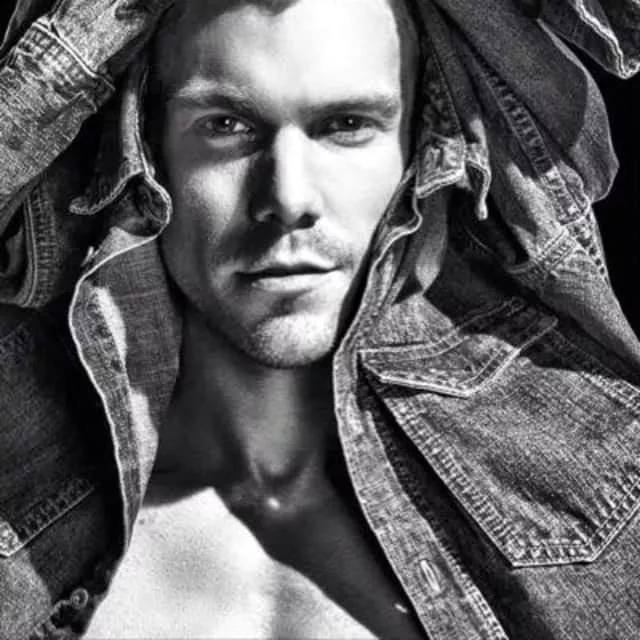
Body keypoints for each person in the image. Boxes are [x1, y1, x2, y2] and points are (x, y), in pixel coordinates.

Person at [1, 0, 640, 638]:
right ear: (145, 152)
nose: (289, 197)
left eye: (346, 125)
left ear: (421, 151)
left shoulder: (609, 483)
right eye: (226, 125)